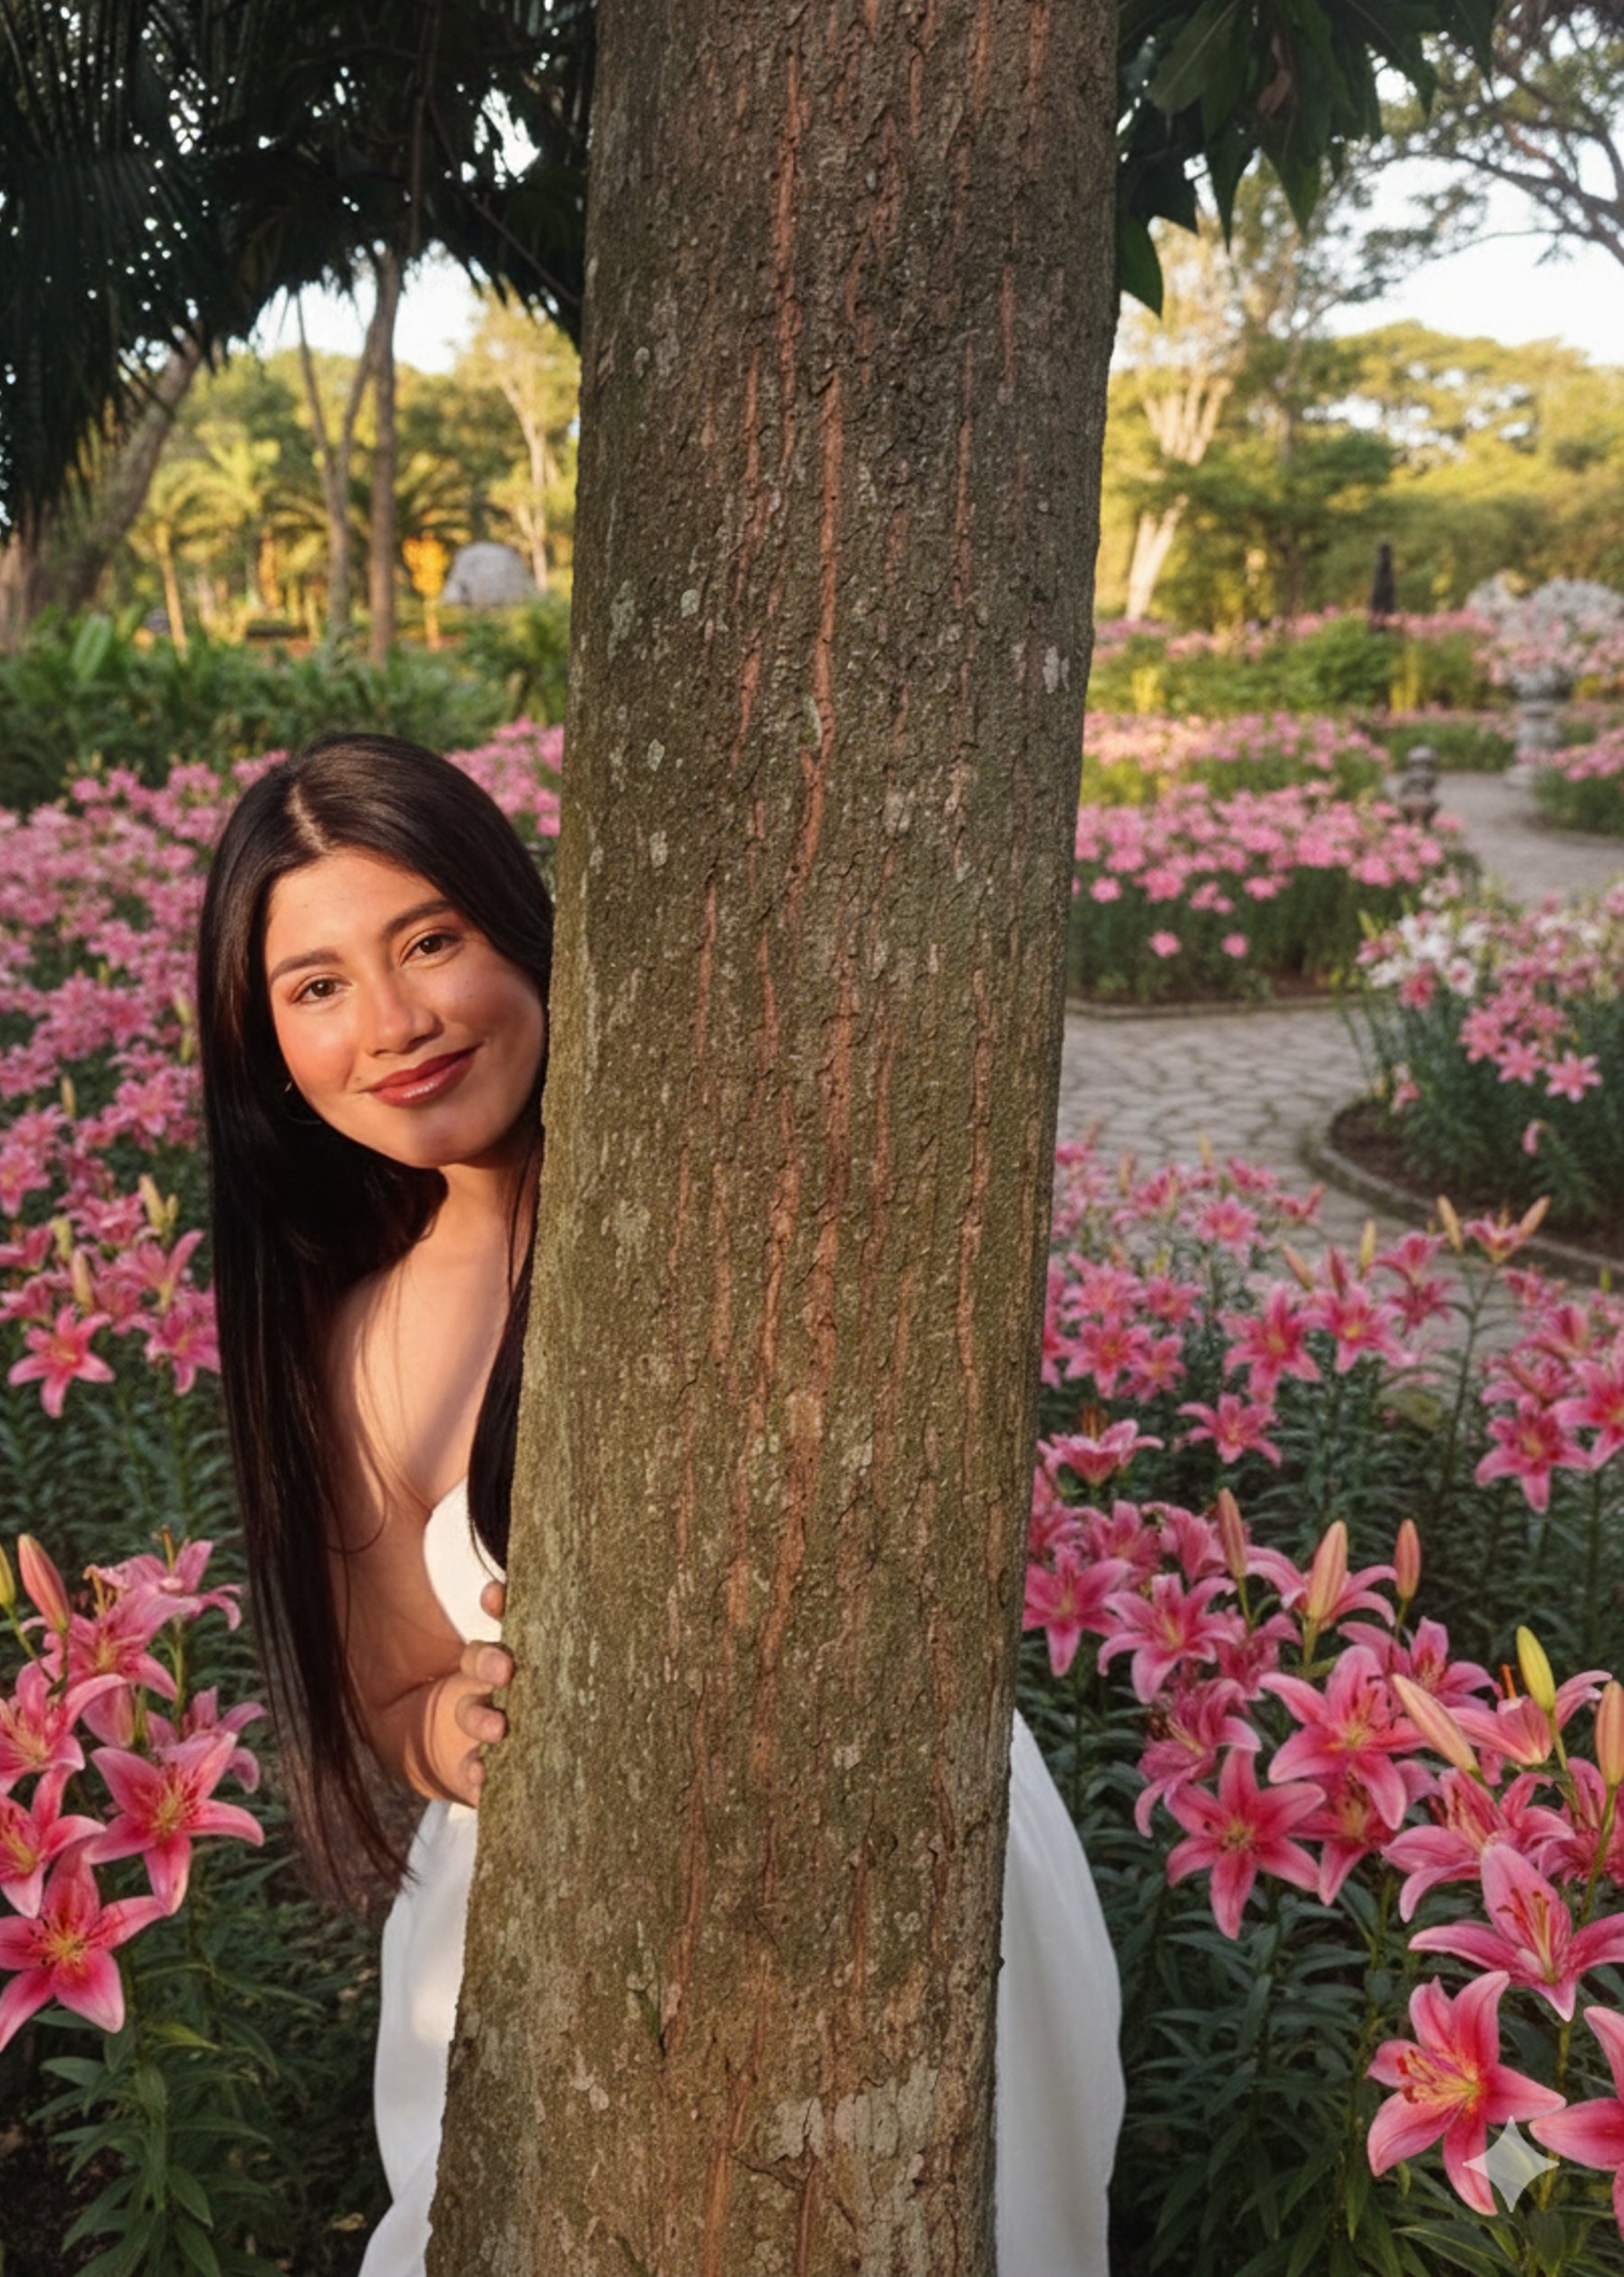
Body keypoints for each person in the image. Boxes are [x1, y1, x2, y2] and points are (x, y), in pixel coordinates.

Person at [196, 733, 1126, 2274]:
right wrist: (455, 1732)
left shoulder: (723, 1180)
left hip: (899, 1836)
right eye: (317, 985)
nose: (396, 1024)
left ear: (523, 926)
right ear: (264, 1044)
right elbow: (396, 1695)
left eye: (430, 940)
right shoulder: (353, 1343)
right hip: (567, 1918)